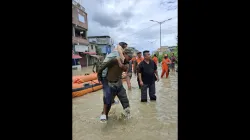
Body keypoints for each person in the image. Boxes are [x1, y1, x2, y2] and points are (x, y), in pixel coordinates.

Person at [97, 48, 133, 121]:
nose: (130, 58)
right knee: (108, 101)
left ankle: (127, 117)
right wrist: (99, 76)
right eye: (129, 56)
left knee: (125, 101)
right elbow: (103, 66)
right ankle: (104, 115)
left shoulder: (128, 62)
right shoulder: (114, 60)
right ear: (124, 54)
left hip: (119, 84)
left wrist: (120, 64)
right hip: (110, 83)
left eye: (131, 57)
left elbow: (126, 69)